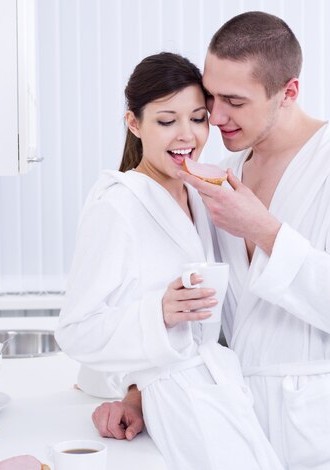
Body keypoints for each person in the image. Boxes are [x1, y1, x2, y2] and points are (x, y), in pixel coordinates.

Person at [91, 11, 330, 470]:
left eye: (234, 100)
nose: (215, 116)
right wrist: (138, 394)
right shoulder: (226, 177)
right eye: (212, 97)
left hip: (323, 420)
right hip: (241, 420)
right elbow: (212, 322)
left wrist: (264, 230)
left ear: (288, 92)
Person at [55, 52, 282, 470]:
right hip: (178, 403)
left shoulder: (199, 192)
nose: (187, 135)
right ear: (134, 124)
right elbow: (75, 330)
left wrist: (133, 393)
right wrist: (158, 314)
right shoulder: (117, 206)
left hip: (223, 387)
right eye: (166, 121)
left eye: (198, 118)